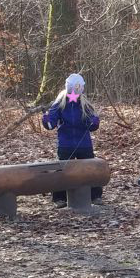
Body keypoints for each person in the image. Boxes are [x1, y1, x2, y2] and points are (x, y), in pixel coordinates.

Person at [42, 73, 103, 208]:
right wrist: (46, 121)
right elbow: (51, 124)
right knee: (62, 169)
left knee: (90, 168)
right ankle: (59, 198)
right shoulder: (60, 103)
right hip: (66, 144)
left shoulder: (85, 104)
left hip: (84, 144)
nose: (79, 89)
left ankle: (95, 196)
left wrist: (95, 122)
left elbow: (91, 126)